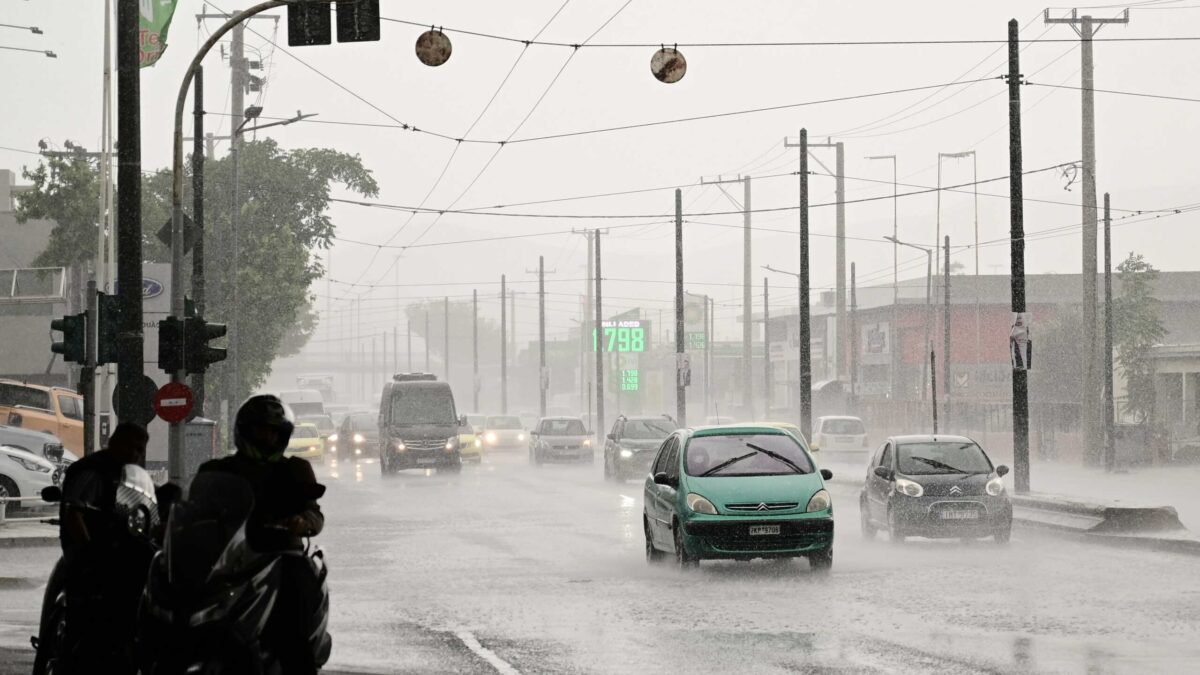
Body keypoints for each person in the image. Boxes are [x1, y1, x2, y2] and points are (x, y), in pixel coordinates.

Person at [197, 394, 327, 674]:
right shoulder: (217, 470)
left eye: (273, 432)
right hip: (226, 559)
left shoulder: (295, 469)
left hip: (279, 557)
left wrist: (302, 522)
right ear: (244, 430)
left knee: (293, 631)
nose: (267, 437)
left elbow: (314, 514)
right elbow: (192, 507)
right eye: (260, 430)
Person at [56, 422, 152, 674]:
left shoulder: (131, 475)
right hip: (93, 556)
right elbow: (74, 514)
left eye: (140, 449)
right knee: (85, 617)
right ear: (114, 442)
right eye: (130, 446)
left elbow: (145, 509)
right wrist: (89, 553)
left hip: (123, 554)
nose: (135, 453)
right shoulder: (92, 471)